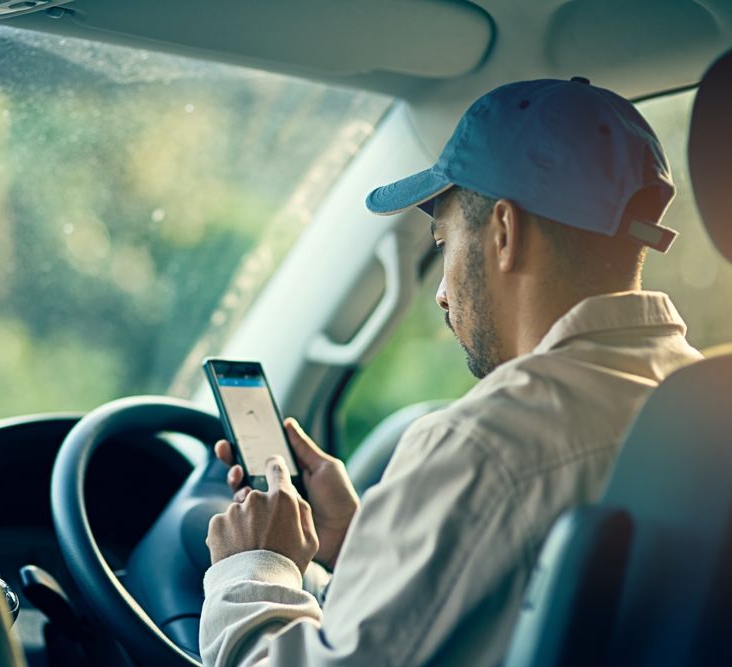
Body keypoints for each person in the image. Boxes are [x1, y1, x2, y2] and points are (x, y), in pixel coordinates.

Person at [199, 77, 703, 666]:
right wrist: (370, 545)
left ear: (505, 233)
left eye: (443, 242)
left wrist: (256, 568)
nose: (441, 293)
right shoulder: (699, 407)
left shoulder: (486, 446)